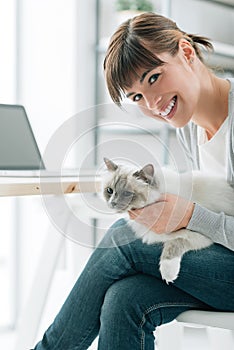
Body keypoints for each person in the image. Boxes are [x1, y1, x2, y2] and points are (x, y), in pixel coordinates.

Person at [33, 12, 234, 350]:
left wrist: (189, 216)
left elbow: (201, 220)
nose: (153, 104)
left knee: (124, 239)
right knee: (123, 299)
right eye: (137, 97)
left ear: (186, 52)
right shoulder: (189, 127)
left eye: (154, 78)